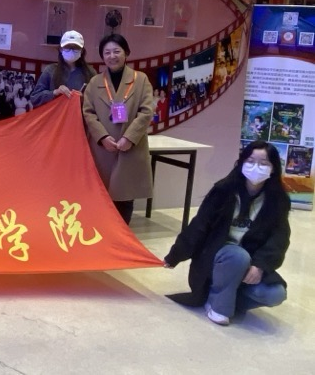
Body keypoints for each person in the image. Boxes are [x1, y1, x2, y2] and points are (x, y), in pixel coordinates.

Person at [163, 141, 290, 326]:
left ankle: (226, 297)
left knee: (275, 294)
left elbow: (279, 238)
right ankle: (217, 306)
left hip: (250, 262)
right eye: (251, 161)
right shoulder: (223, 191)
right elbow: (199, 226)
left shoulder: (277, 200)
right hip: (218, 258)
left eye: (264, 163)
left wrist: (260, 265)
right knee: (237, 256)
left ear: (273, 169)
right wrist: (175, 255)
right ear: (241, 162)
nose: (256, 167)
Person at [82, 34, 154, 224]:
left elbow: (146, 111)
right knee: (100, 196)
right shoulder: (95, 82)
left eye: (116, 51)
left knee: (124, 197)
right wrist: (102, 137)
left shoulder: (141, 80)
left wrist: (129, 138)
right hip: (103, 149)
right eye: (107, 52)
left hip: (129, 148)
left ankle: (122, 234)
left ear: (126, 53)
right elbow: (88, 113)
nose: (112, 56)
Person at [30, 30, 96, 108]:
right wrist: (55, 92)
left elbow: (97, 101)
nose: (71, 51)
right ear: (61, 49)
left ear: (81, 51)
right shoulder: (50, 70)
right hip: (55, 114)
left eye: (75, 48)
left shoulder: (90, 73)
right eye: (67, 47)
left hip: (78, 115)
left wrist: (84, 99)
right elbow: (35, 98)